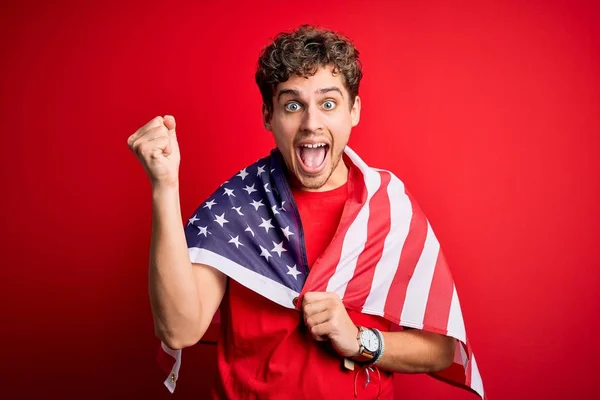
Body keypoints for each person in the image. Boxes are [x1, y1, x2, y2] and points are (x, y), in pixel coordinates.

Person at [127, 24, 484, 399]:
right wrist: (164, 186)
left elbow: (442, 349)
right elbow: (179, 329)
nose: (311, 123)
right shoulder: (237, 207)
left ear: (354, 110)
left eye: (328, 104)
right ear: (269, 115)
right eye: (293, 105)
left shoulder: (388, 207)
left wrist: (361, 340)